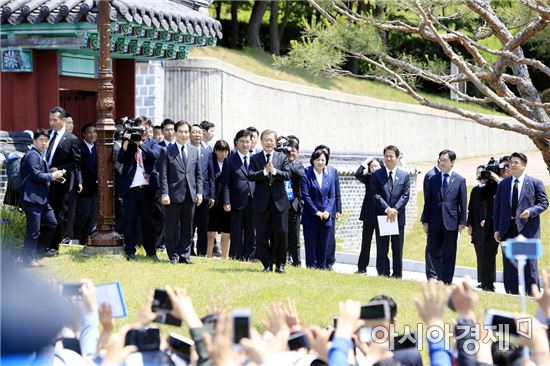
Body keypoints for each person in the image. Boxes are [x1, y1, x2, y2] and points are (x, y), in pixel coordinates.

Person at [494, 152, 548, 295]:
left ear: (524, 165)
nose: (512, 165)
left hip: (527, 230)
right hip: (507, 230)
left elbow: (544, 203)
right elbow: (497, 208)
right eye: (510, 162)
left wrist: (531, 211)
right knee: (509, 264)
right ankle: (511, 293)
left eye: (515, 162)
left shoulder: (535, 183)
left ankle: (532, 294)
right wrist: (496, 229)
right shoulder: (503, 184)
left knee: (529, 265)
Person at [158, 120, 203, 265]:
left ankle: (185, 254)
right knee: (171, 227)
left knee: (188, 227)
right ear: (175, 133)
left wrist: (199, 192)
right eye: (181, 132)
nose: (184, 135)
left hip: (190, 194)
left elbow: (198, 174)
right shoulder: (166, 151)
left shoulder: (194, 150)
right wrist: (164, 193)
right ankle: (173, 255)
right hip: (172, 195)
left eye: (186, 132)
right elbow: (163, 174)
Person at [19, 129, 66, 267]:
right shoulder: (32, 155)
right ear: (34, 141)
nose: (44, 143)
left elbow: (40, 173)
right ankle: (28, 259)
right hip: (32, 198)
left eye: (46, 141)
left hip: (41, 198)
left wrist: (50, 171)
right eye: (41, 140)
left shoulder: (40, 154)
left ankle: (39, 251)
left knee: (52, 223)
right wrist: (52, 176)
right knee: (33, 231)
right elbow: (36, 175)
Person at [117, 118, 161, 261]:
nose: (142, 132)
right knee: (130, 221)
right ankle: (130, 250)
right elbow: (121, 159)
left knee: (148, 221)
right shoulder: (129, 144)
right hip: (131, 188)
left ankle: (151, 251)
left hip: (147, 188)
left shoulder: (152, 143)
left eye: (144, 129)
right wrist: (125, 143)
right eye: (139, 129)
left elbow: (154, 155)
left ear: (149, 129)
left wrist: (140, 144)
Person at [421, 149, 467, 284]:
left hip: (451, 223)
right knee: (432, 250)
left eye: (445, 161)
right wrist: (425, 221)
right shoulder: (432, 179)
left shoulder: (460, 180)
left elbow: (463, 203)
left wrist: (462, 222)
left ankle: (446, 280)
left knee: (449, 253)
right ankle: (433, 279)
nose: (442, 163)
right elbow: (427, 201)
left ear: (452, 162)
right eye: (440, 160)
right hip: (434, 221)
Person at [249, 129, 291, 273]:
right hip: (261, 203)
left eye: (271, 140)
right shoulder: (255, 158)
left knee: (281, 233)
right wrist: (265, 172)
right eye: (266, 140)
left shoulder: (282, 157)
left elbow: (287, 175)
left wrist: (274, 171)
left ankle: (280, 264)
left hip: (279, 202)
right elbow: (250, 175)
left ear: (275, 141)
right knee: (261, 235)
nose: (268, 142)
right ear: (261, 141)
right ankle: (267, 263)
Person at [370, 145, 410, 278]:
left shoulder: (404, 175)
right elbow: (375, 194)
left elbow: (405, 195)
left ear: (397, 158)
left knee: (397, 249)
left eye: (391, 156)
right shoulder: (377, 175)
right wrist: (387, 209)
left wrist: (395, 210)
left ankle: (397, 274)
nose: (389, 158)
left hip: (397, 217)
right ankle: (383, 273)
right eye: (386, 156)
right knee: (382, 248)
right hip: (383, 216)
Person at [45, 106, 81, 255]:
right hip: (44, 180)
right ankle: (42, 243)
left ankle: (54, 245)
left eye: (55, 120)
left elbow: (76, 162)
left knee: (59, 213)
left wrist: (60, 170)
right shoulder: (46, 135)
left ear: (63, 120)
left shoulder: (72, 140)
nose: (52, 122)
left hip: (61, 183)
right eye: (50, 119)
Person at [223, 130, 256, 261]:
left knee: (251, 231)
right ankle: (237, 257)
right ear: (236, 142)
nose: (245, 144)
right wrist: (226, 201)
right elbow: (225, 183)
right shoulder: (230, 160)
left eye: (247, 141)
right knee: (236, 231)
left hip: (253, 201)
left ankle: (250, 256)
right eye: (242, 141)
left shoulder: (255, 159)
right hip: (236, 202)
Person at [300, 149, 335, 269]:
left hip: (325, 218)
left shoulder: (329, 177)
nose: (320, 162)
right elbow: (306, 197)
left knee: (323, 246)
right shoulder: (306, 177)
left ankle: (322, 268)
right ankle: (311, 267)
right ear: (312, 161)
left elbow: (332, 196)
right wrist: (316, 211)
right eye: (318, 159)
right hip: (310, 217)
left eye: (323, 160)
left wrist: (327, 211)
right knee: (311, 245)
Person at [314, 145, 342, 271]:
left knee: (330, 237)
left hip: (330, 209)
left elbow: (336, 192)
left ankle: (329, 261)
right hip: (316, 210)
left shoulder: (333, 170)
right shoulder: (312, 170)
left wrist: (338, 210)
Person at [189, 124, 214, 256]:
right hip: (189, 193)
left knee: (203, 225)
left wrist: (212, 195)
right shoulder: (186, 150)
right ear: (189, 134)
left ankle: (202, 251)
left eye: (199, 132)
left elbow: (211, 175)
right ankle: (189, 250)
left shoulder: (207, 152)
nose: (197, 135)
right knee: (190, 225)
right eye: (194, 132)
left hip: (204, 195)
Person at [355, 157, 382, 274]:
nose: (374, 168)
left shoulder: (385, 178)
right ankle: (361, 268)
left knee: (382, 244)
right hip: (368, 214)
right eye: (372, 166)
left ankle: (381, 269)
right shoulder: (368, 178)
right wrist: (366, 162)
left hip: (381, 214)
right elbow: (357, 174)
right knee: (366, 242)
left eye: (376, 166)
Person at [74, 123, 98, 246]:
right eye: (89, 132)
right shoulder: (79, 147)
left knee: (92, 215)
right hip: (83, 186)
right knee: (83, 213)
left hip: (95, 187)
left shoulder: (98, 148)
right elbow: (77, 166)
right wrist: (79, 181)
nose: (93, 135)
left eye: (95, 132)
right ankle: (77, 238)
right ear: (83, 134)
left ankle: (87, 239)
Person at [207, 140, 231, 258]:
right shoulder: (210, 161)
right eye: (220, 151)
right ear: (215, 150)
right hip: (213, 200)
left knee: (227, 230)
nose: (223, 154)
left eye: (225, 151)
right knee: (211, 230)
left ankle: (225, 256)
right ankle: (209, 255)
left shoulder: (230, 161)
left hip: (226, 200)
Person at [467, 165, 487, 289]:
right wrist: (469, 225)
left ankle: (488, 281)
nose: (480, 176)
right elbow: (470, 209)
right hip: (476, 228)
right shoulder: (474, 190)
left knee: (488, 255)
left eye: (482, 173)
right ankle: (481, 280)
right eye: (478, 173)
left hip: (488, 228)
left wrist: (487, 220)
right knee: (479, 254)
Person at [286, 138, 305, 267]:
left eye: (293, 151)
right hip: (281, 202)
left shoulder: (299, 164)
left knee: (294, 233)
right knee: (282, 232)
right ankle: (284, 257)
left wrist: (288, 164)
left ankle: (296, 261)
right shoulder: (280, 162)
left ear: (297, 152)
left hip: (294, 203)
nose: (290, 154)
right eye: (288, 151)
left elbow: (299, 174)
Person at [423, 161, 441, 280]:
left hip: (444, 219)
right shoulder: (431, 175)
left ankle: (438, 274)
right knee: (432, 247)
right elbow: (428, 200)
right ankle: (432, 275)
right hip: (434, 218)